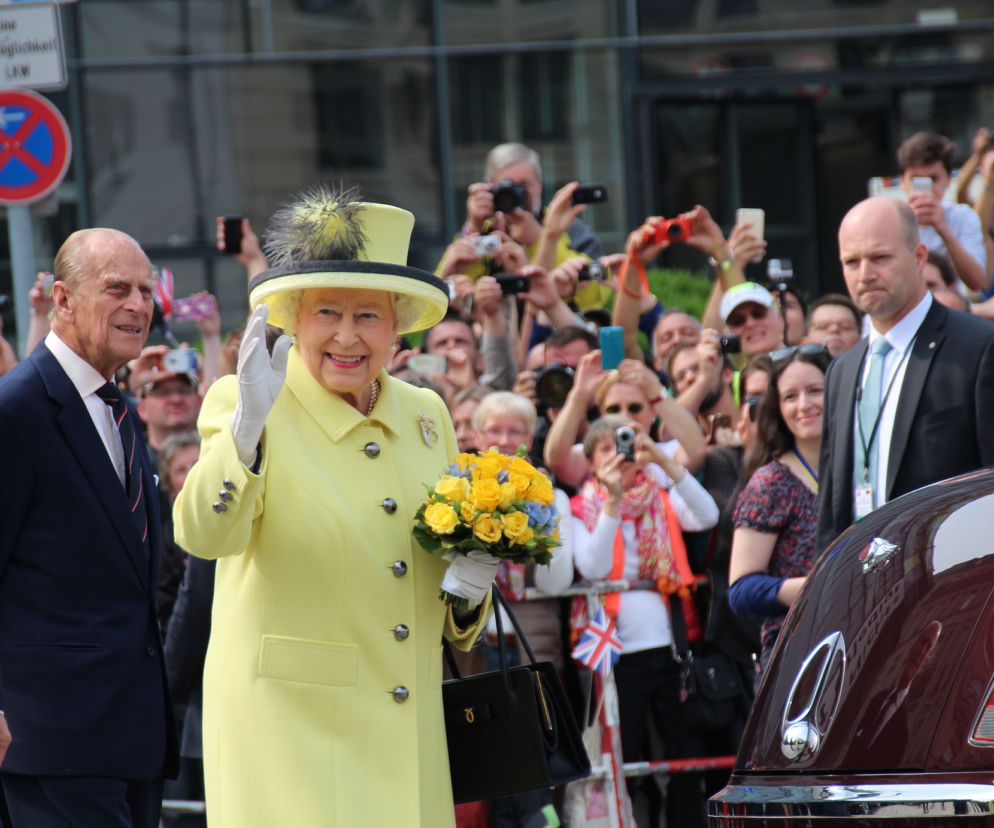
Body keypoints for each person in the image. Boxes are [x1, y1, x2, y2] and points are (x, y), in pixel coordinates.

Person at [173, 187, 494, 828]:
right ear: (294, 317)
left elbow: (437, 590)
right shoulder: (245, 399)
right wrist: (246, 434)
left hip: (410, 735)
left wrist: (469, 589)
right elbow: (204, 534)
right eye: (327, 311)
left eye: (369, 316)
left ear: (398, 325)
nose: (347, 336)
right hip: (293, 742)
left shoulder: (427, 414)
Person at [0, 227, 177, 827]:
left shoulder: (120, 410)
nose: (138, 305)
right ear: (63, 300)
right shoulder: (16, 409)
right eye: (117, 289)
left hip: (130, 740)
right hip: (50, 738)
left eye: (146, 291)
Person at [817, 196, 994, 553]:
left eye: (879, 258)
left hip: (955, 585)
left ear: (918, 257)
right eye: (852, 262)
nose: (865, 274)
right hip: (862, 593)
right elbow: (832, 510)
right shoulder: (842, 370)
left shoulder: (978, 348)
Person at [572, 416, 718, 828]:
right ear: (589, 461)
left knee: (684, 757)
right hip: (617, 655)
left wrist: (663, 461)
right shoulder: (582, 505)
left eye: (624, 445)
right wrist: (614, 502)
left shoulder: (661, 494)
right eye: (605, 449)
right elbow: (592, 566)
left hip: (672, 649)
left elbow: (707, 515)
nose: (618, 455)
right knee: (627, 759)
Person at [728, 345, 831, 677]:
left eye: (815, 390)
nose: (804, 405)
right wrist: (816, 587)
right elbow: (741, 590)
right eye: (790, 396)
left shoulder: (864, 469)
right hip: (797, 655)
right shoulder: (771, 482)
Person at [897, 131, 988, 292]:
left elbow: (977, 283)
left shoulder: (963, 217)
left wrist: (943, 228)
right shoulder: (889, 220)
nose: (927, 189)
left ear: (948, 179)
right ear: (903, 181)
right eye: (917, 180)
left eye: (933, 179)